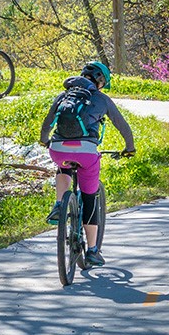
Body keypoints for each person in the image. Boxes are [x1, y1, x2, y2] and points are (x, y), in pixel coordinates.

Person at [39, 61, 136, 266]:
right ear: (100, 81)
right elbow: (123, 127)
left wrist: (45, 140)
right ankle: (92, 250)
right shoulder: (102, 99)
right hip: (86, 153)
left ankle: (59, 205)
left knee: (63, 165)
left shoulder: (63, 96)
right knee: (90, 197)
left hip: (58, 149)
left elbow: (47, 124)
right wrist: (129, 148)